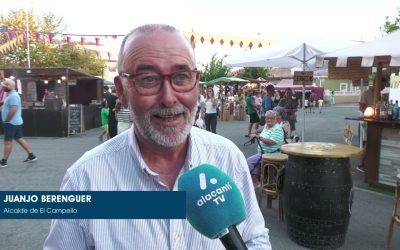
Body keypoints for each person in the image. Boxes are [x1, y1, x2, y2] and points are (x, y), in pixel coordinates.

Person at [44, 24, 270, 249]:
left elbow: (253, 239)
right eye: (148, 79)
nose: (169, 98)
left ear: (196, 84)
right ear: (121, 91)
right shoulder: (84, 179)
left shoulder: (227, 157)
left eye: (181, 76)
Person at [0, 78, 37, 168]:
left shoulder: (13, 96)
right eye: (3, 85)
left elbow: (14, 108)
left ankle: (4, 161)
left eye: (6, 85)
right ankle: (31, 156)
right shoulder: (11, 95)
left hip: (11, 123)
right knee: (19, 138)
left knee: (7, 142)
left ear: (12, 86)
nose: (3, 86)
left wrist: (8, 119)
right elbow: (7, 105)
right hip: (15, 122)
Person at [357, 77, 387, 173]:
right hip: (367, 121)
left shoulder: (380, 94)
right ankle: (361, 164)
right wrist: (370, 113)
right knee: (369, 142)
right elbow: (361, 107)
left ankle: (370, 163)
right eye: (382, 85)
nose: (383, 87)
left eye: (384, 85)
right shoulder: (365, 93)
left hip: (376, 121)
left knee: (375, 141)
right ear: (376, 84)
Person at [246, 110, 284, 186]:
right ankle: (257, 181)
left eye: (271, 118)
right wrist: (255, 132)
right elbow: (263, 128)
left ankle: (258, 182)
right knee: (253, 162)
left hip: (272, 154)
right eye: (267, 118)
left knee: (249, 162)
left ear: (275, 119)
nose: (269, 120)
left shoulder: (277, 129)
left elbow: (271, 142)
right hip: (264, 153)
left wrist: (258, 137)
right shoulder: (268, 126)